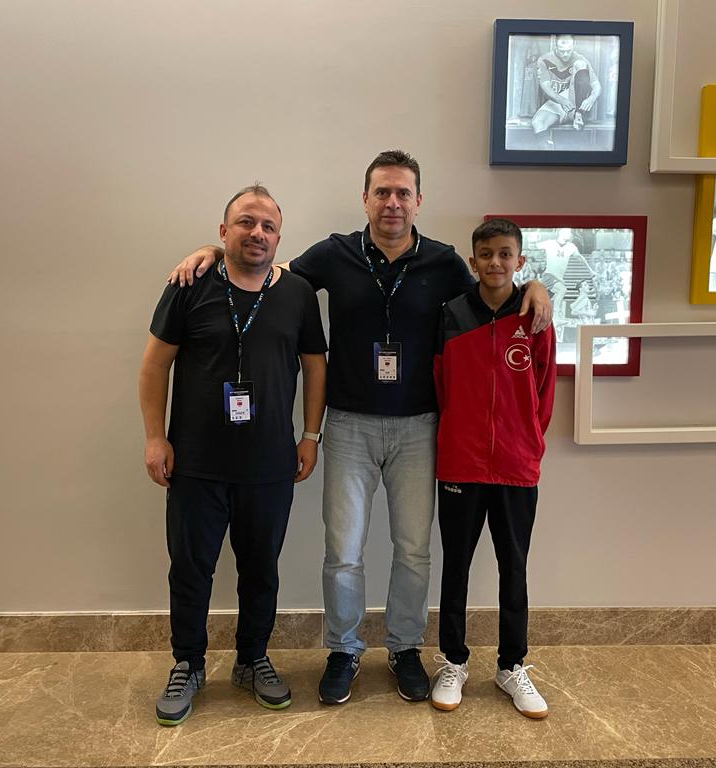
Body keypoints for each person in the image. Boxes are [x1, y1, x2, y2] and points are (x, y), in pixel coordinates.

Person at [167, 150, 553, 707]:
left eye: (403, 193)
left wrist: (537, 284)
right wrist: (213, 250)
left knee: (413, 550)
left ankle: (404, 649)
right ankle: (344, 650)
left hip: (419, 427)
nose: (392, 202)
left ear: (418, 201)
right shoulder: (335, 253)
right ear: (365, 199)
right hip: (348, 425)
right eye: (382, 192)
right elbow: (265, 270)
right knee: (343, 550)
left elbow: (494, 286)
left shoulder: (444, 262)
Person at [139, 185, 327, 725]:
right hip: (195, 463)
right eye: (246, 222)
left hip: (269, 465)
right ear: (224, 232)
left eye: (268, 226)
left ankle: (252, 659)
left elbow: (315, 366)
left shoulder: (297, 294)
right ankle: (188, 664)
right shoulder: (189, 284)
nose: (257, 233)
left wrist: (310, 436)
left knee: (260, 570)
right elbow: (154, 365)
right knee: (190, 570)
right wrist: (155, 438)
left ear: (279, 238)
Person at [430, 218, 556, 718]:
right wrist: (458, 433)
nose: (495, 263)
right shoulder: (452, 314)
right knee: (455, 566)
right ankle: (453, 661)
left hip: (516, 466)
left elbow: (545, 388)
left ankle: (511, 665)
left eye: (506, 254)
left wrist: (527, 441)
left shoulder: (535, 315)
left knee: (514, 568)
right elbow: (440, 384)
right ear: (473, 261)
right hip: (460, 463)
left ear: (519, 261)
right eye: (486, 254)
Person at [532, 34, 601, 141]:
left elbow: (596, 85)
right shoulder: (544, 60)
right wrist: (562, 101)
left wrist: (591, 99)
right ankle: (547, 151)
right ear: (555, 46)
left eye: (569, 51)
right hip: (557, 102)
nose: (565, 54)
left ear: (574, 46)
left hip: (575, 102)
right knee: (537, 123)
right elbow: (545, 86)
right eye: (562, 51)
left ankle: (578, 115)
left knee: (580, 64)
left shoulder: (580, 58)